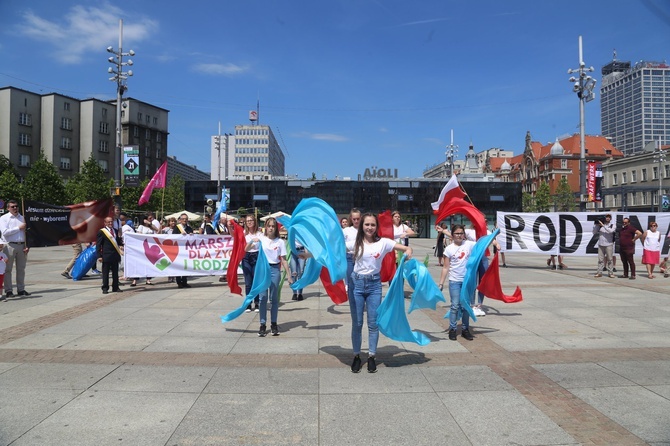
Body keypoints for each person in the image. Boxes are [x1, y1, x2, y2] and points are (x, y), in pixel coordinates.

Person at [345, 213, 412, 373]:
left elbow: (405, 247)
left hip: (375, 285)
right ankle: (356, 356)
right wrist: (308, 255)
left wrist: (408, 251)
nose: (369, 228)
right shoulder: (354, 243)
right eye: (366, 224)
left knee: (373, 323)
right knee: (358, 323)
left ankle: (371, 356)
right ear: (362, 226)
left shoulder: (383, 243)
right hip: (357, 285)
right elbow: (331, 251)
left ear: (377, 227)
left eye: (372, 225)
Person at [249, 217, 292, 337]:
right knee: (262, 298)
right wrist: (252, 242)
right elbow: (246, 249)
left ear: (276, 228)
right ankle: (262, 324)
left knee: (274, 299)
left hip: (274, 270)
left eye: (273, 226)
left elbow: (283, 259)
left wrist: (289, 275)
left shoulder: (280, 242)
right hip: (263, 270)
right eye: (269, 226)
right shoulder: (262, 239)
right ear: (266, 227)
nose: (271, 228)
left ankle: (274, 323)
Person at [438, 224, 476, 342]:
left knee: (466, 307)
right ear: (452, 235)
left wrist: (496, 239)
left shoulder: (469, 244)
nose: (459, 235)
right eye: (457, 233)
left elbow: (483, 244)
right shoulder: (449, 249)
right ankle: (453, 329)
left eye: (461, 233)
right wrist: (441, 283)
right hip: (454, 281)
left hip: (467, 282)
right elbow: (445, 267)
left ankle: (465, 329)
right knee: (454, 306)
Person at [0, 200, 30, 298]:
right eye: (12, 207)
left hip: (21, 245)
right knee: (8, 269)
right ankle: (9, 290)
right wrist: (18, 228)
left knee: (21, 269)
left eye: (16, 206)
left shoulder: (22, 217)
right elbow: (4, 232)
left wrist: (26, 245)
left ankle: (21, 289)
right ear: (8, 208)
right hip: (10, 245)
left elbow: (25, 233)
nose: (15, 208)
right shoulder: (4, 218)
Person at [97, 217, 123, 294]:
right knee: (106, 273)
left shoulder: (115, 230)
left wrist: (122, 244)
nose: (110, 223)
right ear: (105, 223)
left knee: (115, 272)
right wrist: (99, 256)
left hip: (115, 255)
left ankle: (115, 287)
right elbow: (98, 245)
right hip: (106, 255)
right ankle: (105, 288)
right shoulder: (102, 232)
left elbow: (117, 241)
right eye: (108, 222)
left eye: (111, 222)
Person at [242, 214, 263, 312]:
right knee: (248, 282)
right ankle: (248, 303)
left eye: (251, 220)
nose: (249, 222)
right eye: (247, 221)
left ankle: (257, 302)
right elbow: (245, 248)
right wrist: (251, 242)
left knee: (256, 281)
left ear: (255, 222)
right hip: (246, 257)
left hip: (257, 256)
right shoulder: (244, 234)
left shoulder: (259, 234)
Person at [343, 208, 362, 299]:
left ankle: (359, 298)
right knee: (350, 279)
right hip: (349, 257)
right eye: (354, 219)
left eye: (358, 219)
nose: (356, 221)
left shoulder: (364, 230)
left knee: (360, 279)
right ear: (351, 218)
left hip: (361, 257)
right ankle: (352, 300)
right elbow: (340, 244)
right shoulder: (346, 230)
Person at [135, 215, 156, 285]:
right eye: (149, 218)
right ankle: (135, 279)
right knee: (139, 264)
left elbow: (157, 230)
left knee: (149, 264)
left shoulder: (151, 227)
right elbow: (138, 235)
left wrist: (150, 224)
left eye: (151, 218)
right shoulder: (141, 227)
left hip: (150, 248)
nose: (151, 220)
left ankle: (148, 279)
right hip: (142, 247)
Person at [593, 214, 616, 278]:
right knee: (600, 259)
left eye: (609, 217)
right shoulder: (600, 226)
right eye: (606, 217)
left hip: (609, 244)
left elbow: (610, 231)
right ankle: (599, 272)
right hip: (601, 244)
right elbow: (594, 232)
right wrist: (597, 225)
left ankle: (610, 272)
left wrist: (603, 225)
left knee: (610, 259)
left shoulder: (612, 225)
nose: (607, 218)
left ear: (610, 219)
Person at [175, 213, 194, 288]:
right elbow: (173, 237)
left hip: (186, 250)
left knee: (186, 266)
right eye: (183, 219)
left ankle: (185, 281)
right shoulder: (177, 228)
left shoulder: (189, 228)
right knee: (179, 266)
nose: (185, 220)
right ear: (180, 220)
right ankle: (179, 282)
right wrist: (180, 235)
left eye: (186, 219)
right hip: (179, 250)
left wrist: (192, 235)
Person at [162, 217, 178, 283]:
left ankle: (173, 276)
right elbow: (159, 234)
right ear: (169, 222)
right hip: (167, 248)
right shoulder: (166, 229)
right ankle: (169, 276)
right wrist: (160, 226)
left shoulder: (177, 229)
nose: (173, 223)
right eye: (172, 221)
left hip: (175, 247)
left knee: (174, 262)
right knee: (169, 262)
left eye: (174, 221)